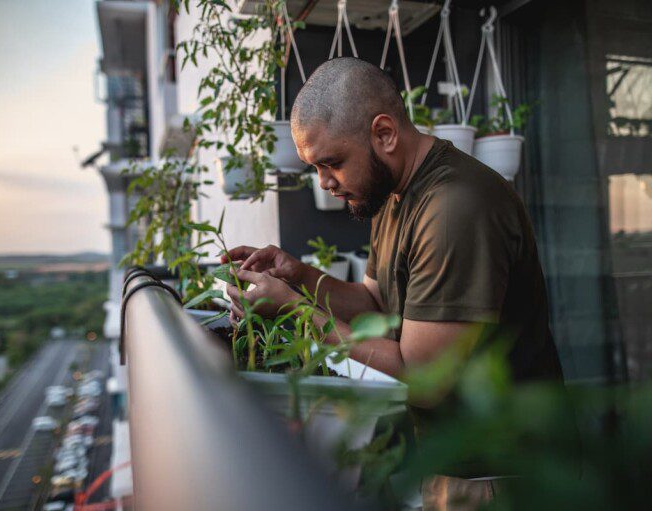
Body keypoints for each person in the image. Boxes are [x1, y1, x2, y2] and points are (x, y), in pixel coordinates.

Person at [222, 57, 564, 509]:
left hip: (503, 475)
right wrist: (300, 277)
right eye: (315, 168)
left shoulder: (454, 209)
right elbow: (375, 307)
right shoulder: (391, 197)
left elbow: (423, 378)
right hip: (458, 466)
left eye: (332, 163)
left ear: (384, 134)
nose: (324, 183)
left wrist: (293, 312)